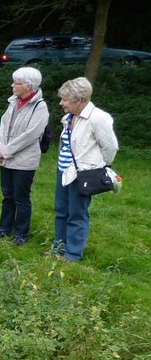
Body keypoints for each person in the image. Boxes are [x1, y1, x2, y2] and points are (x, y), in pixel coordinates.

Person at [50, 77, 118, 262]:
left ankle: (72, 254)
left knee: (77, 214)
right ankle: (58, 248)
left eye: (65, 99)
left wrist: (96, 168)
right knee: (61, 211)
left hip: (83, 175)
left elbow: (110, 147)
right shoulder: (69, 117)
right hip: (64, 172)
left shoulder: (98, 118)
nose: (61, 103)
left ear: (78, 100)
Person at [0, 67, 49, 246]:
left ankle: (21, 233)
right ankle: (4, 229)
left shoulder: (40, 107)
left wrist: (7, 150)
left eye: (16, 83)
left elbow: (31, 134)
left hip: (25, 161)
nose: (12, 85)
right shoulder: (13, 102)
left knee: (21, 197)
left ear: (28, 86)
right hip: (6, 159)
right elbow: (3, 126)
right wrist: (0, 148)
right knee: (7, 195)